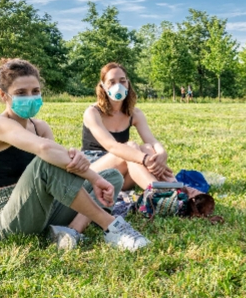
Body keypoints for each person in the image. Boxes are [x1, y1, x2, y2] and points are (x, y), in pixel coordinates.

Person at [0, 58, 149, 251]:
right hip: (6, 221)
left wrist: (71, 156)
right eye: (21, 93)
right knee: (48, 164)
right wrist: (92, 177)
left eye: (35, 91)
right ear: (3, 95)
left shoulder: (40, 127)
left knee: (112, 177)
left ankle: (72, 232)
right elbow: (46, 151)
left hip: (44, 212)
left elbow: (58, 162)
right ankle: (113, 226)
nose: (30, 97)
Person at [82, 63, 200, 201]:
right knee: (131, 148)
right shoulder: (92, 112)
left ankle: (175, 190)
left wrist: (162, 154)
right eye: (111, 82)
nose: (117, 85)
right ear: (102, 85)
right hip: (93, 172)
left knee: (148, 148)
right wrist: (144, 159)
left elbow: (152, 141)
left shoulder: (134, 114)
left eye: (122, 81)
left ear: (128, 83)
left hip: (120, 176)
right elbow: (112, 146)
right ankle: (164, 194)